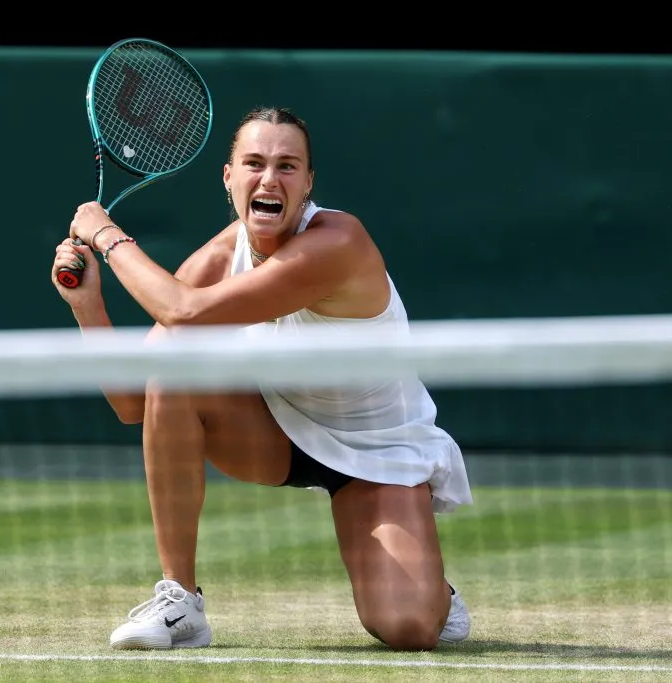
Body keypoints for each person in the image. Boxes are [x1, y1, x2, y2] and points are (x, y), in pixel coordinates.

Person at [51, 106, 474, 651]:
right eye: (253, 163)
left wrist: (105, 235)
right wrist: (89, 310)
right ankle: (179, 600)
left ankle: (432, 589)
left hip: (379, 453)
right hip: (275, 432)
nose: (269, 178)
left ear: (308, 183)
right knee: (173, 380)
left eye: (287, 166)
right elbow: (134, 402)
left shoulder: (338, 242)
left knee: (409, 629)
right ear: (229, 179)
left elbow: (183, 309)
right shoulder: (221, 256)